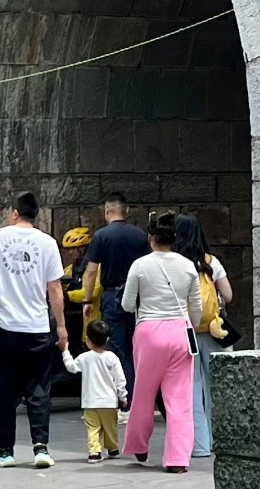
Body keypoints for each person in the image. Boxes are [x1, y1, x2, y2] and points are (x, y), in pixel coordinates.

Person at [0, 191, 68, 469]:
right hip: (37, 326)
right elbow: (54, 287)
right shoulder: (47, 243)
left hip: (5, 326)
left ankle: (6, 451)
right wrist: (61, 325)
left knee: (4, 388)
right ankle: (40, 448)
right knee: (39, 387)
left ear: (15, 212)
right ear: (36, 214)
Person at [121, 211, 202, 473]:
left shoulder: (140, 265)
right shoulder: (188, 266)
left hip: (149, 332)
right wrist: (190, 325)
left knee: (143, 393)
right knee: (179, 398)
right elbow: (196, 307)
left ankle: (139, 445)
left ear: (151, 237)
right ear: (174, 238)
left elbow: (126, 304)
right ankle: (177, 459)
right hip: (180, 332)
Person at [174, 213, 233, 459]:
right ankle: (220, 441)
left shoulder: (175, 263)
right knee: (216, 386)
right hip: (213, 329)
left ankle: (199, 445)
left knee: (191, 387)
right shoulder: (211, 262)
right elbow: (228, 295)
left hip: (185, 331)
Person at [82, 192, 149, 399]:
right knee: (136, 347)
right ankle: (139, 394)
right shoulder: (140, 236)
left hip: (113, 296)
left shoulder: (101, 236)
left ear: (106, 211)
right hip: (138, 297)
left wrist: (87, 300)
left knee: (117, 348)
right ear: (126, 210)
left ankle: (124, 397)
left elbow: (91, 271)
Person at [62, 317, 128, 462]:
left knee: (93, 427)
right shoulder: (112, 357)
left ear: (87, 339)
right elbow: (120, 380)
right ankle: (112, 448)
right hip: (109, 402)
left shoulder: (84, 357)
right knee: (110, 427)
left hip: (90, 401)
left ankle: (94, 452)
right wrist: (123, 397)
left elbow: (71, 367)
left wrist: (65, 352)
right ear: (107, 339)